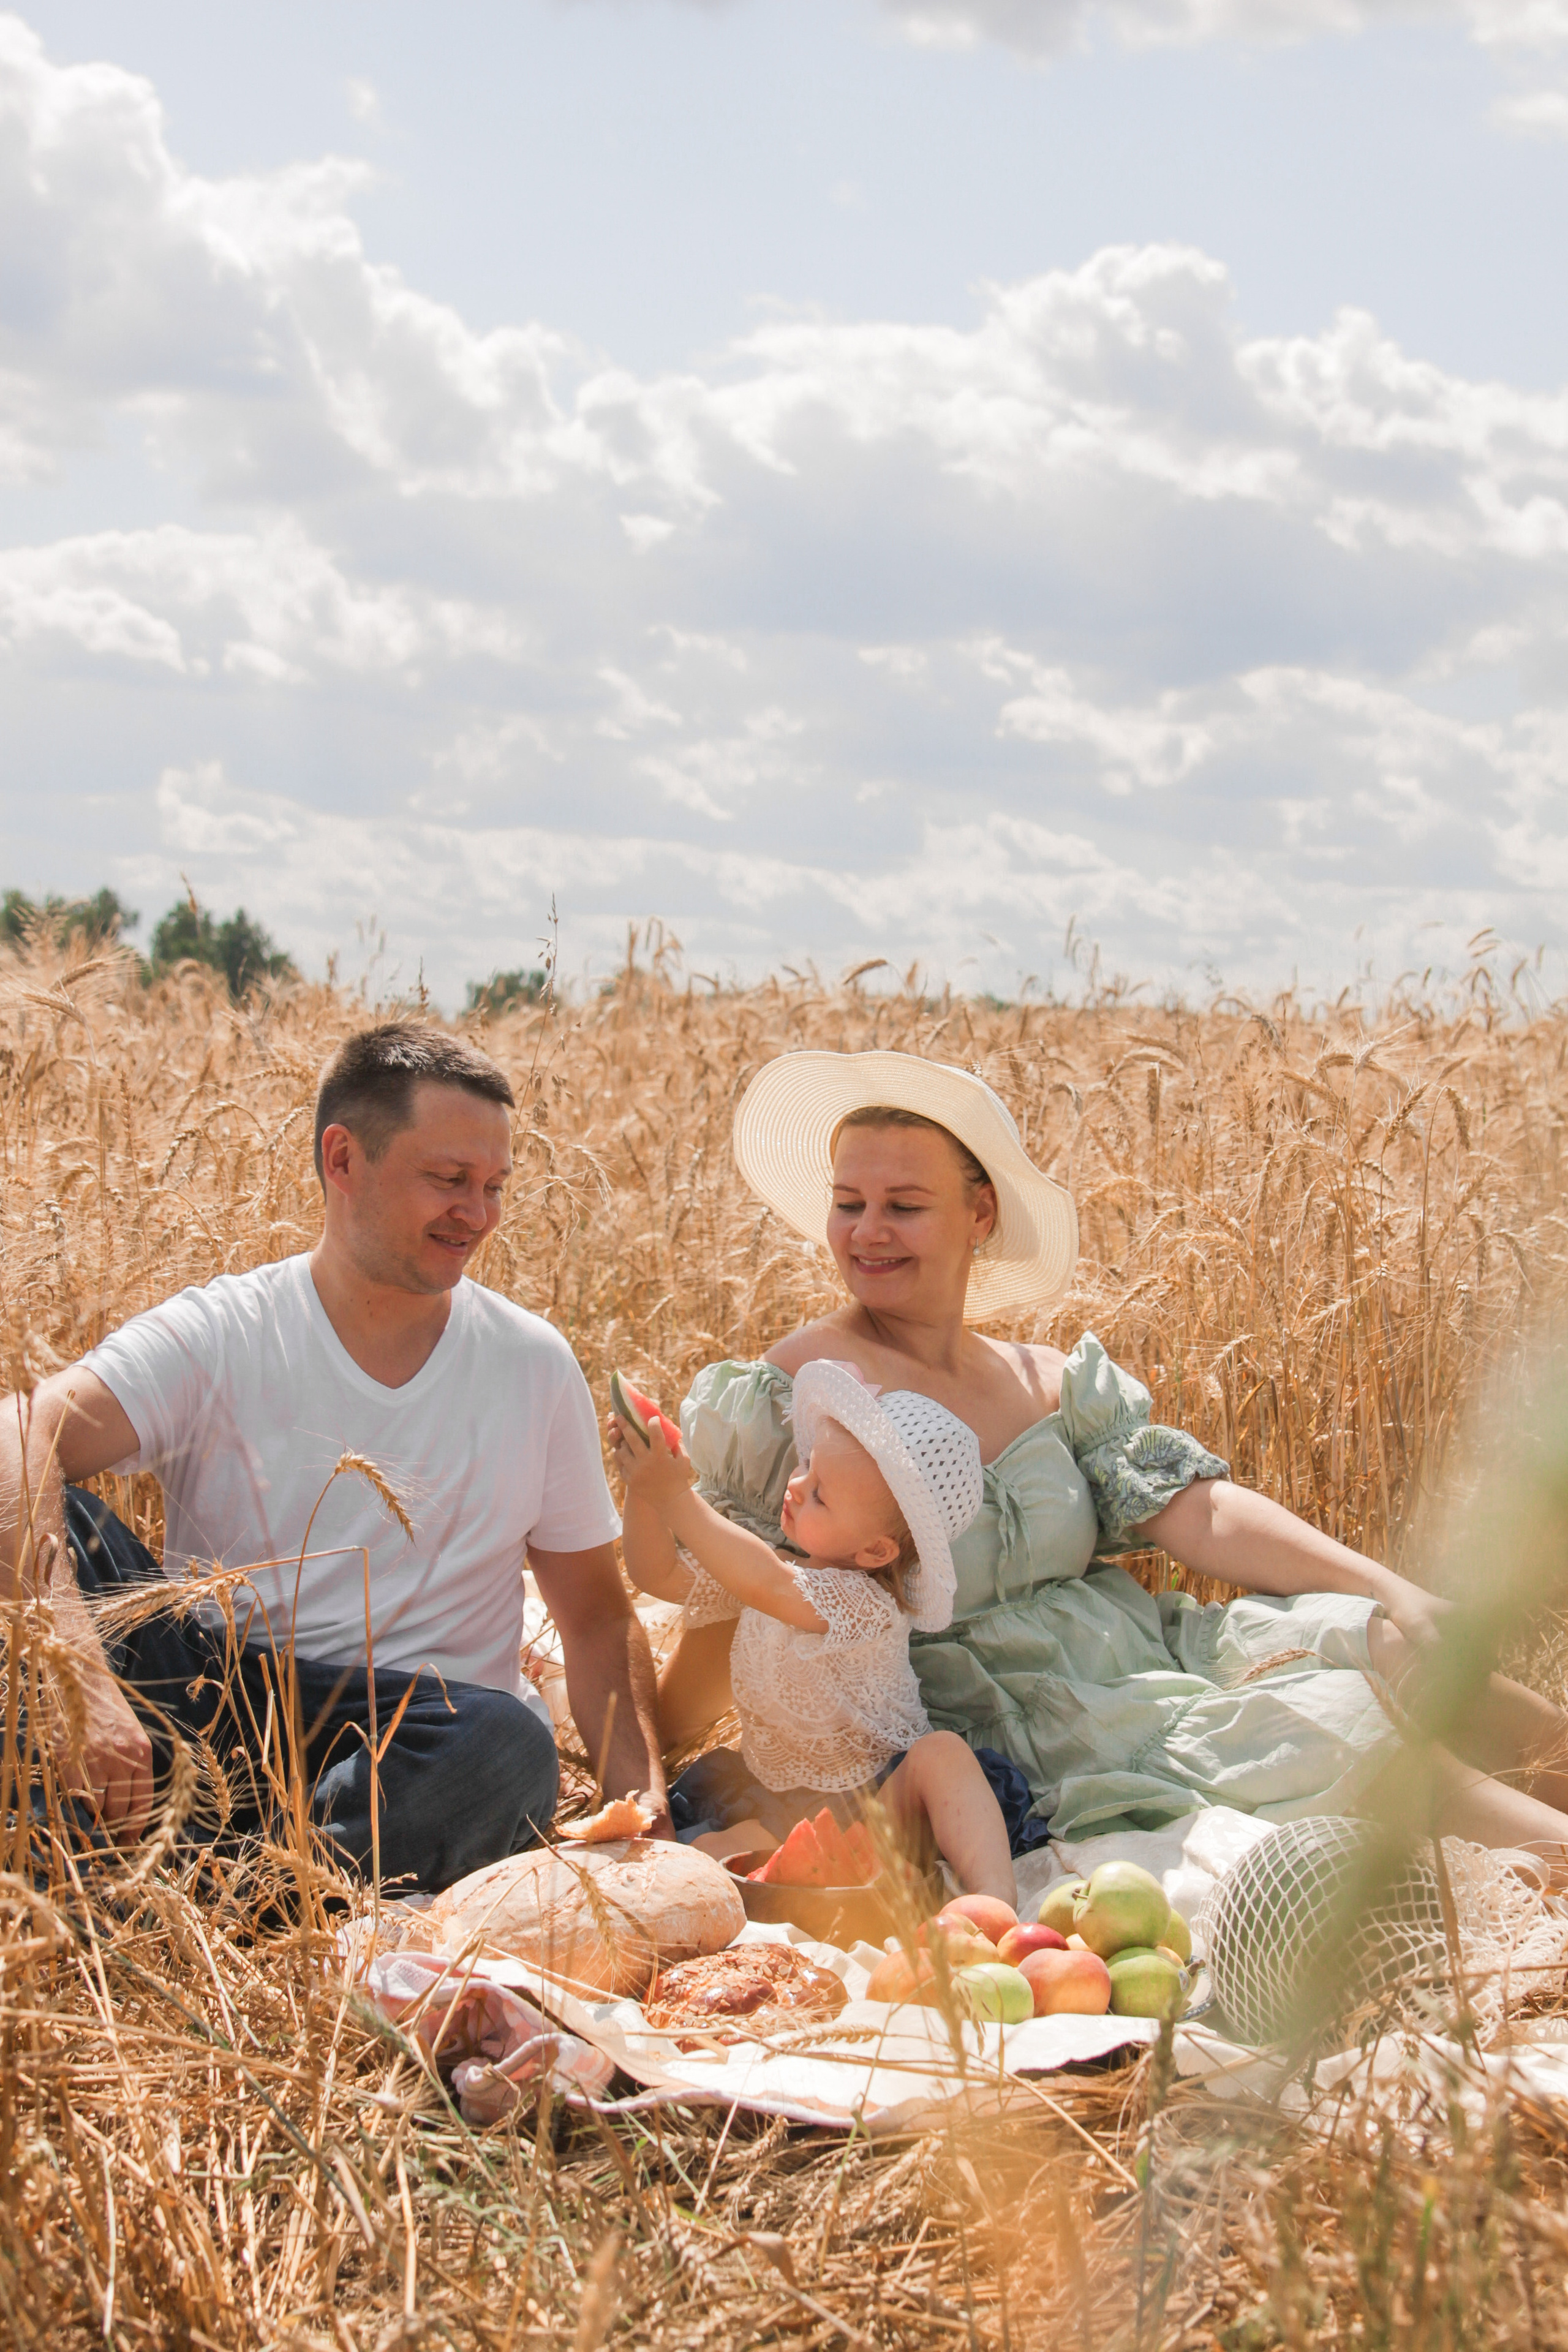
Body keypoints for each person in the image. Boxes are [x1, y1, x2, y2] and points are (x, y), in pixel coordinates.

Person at [656, 1048, 1568, 1873]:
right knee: (1348, 1733)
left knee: (1409, 1647)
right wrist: (645, 1759)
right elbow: (742, 1598)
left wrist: (1389, 1586)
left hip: (1150, 1654)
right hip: (1040, 1718)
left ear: (981, 1213)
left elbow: (1202, 1512)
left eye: (904, 1205)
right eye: (848, 1204)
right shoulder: (804, 1392)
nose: (867, 1232)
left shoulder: (1050, 1379)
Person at [0, 1021, 667, 1893]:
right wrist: (83, 1688)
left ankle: (185, 1887)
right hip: (208, 1699)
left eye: (495, 1185)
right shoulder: (226, 1331)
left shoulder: (532, 1363)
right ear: (343, 1160)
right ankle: (222, 1880)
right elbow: (21, 1435)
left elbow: (594, 1619)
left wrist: (645, 1802)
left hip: (415, 1735)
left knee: (508, 1748)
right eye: (450, 1179)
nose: (480, 1213)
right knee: (47, 1519)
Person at [613, 1357, 1016, 1904]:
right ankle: (780, 1875)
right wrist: (644, 1485)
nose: (797, 1486)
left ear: (876, 1551)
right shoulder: (772, 1568)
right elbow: (654, 1573)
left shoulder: (865, 1604)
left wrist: (675, 1498)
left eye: (822, 1493)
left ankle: (994, 1899)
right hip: (778, 1804)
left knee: (942, 1754)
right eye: (806, 1465)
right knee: (709, 1853)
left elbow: (769, 1585)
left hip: (882, 1802)